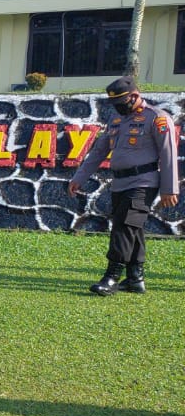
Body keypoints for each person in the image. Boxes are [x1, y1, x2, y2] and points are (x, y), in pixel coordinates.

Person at [69, 76, 179, 295]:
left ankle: (111, 277)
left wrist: (170, 188)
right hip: (120, 183)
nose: (117, 107)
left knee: (124, 227)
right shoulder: (117, 120)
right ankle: (135, 279)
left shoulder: (157, 118)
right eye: (114, 103)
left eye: (121, 102)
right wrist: (79, 177)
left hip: (144, 181)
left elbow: (168, 154)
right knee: (132, 227)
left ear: (135, 96)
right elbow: (99, 151)